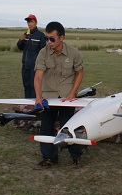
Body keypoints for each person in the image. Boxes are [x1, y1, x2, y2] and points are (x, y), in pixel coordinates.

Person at [33, 21, 85, 169]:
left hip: (67, 98)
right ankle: (49, 158)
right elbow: (38, 76)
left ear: (61, 38)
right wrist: (38, 97)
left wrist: (72, 93)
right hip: (48, 97)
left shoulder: (74, 53)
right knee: (46, 128)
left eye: (52, 39)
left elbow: (80, 72)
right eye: (46, 38)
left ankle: (76, 156)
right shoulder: (43, 53)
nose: (48, 42)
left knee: (68, 127)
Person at [17, 14, 45, 98]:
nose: (30, 24)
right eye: (28, 22)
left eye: (32, 22)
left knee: (34, 86)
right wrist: (20, 41)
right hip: (25, 65)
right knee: (26, 85)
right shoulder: (25, 34)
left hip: (35, 66)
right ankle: (27, 104)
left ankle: (35, 103)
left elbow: (43, 51)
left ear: (36, 23)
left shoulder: (40, 35)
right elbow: (20, 47)